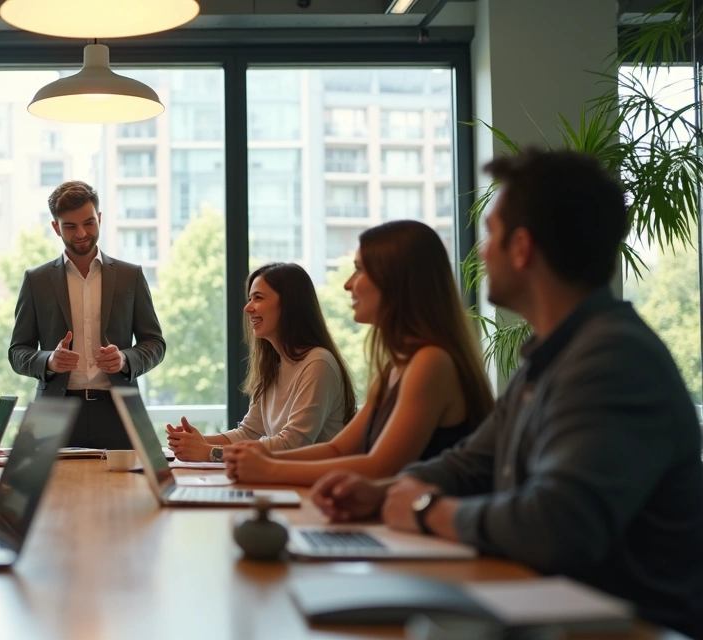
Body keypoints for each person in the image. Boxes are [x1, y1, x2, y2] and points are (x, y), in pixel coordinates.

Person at [311, 150, 703, 637]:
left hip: (624, 627)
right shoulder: (551, 356)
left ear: (521, 248)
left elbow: (554, 526)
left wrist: (422, 508)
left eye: (491, 233)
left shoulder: (612, 358)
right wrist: (381, 492)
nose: (481, 251)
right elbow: (467, 463)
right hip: (550, 610)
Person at [224, 220, 493, 486]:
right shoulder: (396, 367)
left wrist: (269, 469)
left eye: (359, 270)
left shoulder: (431, 362)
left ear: (395, 280)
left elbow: (379, 467)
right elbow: (338, 449)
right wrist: (263, 458)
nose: (348, 285)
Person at [9, 180, 166, 450]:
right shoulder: (36, 280)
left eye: (89, 222)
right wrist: (49, 361)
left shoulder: (131, 276)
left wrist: (124, 359)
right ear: (56, 227)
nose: (81, 233)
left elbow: (155, 344)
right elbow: (17, 352)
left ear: (100, 219)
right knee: (56, 492)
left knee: (124, 491)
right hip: (55, 412)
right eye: (70, 226)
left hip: (118, 411)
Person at [166, 262, 355, 462]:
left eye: (258, 298)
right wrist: (196, 442)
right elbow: (249, 433)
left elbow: (292, 444)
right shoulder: (274, 365)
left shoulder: (318, 363)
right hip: (285, 483)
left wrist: (210, 452)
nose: (248, 308)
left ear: (289, 304)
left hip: (312, 487)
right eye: (250, 298)